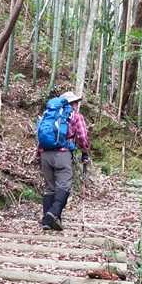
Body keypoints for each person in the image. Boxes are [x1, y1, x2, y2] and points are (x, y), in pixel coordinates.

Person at [36, 90, 90, 231]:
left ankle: (49, 221)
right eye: (75, 102)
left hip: (45, 153)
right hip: (63, 154)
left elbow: (40, 134)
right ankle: (52, 214)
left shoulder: (48, 114)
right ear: (72, 103)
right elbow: (82, 137)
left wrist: (39, 154)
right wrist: (85, 153)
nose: (77, 104)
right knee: (64, 186)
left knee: (50, 188)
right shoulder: (75, 116)